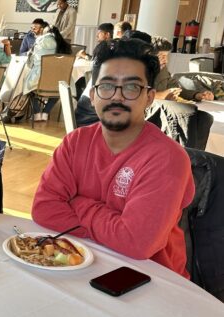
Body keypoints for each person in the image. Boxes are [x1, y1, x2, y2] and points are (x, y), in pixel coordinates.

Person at [32, 38, 195, 279]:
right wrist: (115, 225)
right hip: (79, 263)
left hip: (150, 281)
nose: (117, 97)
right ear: (93, 95)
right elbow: (44, 210)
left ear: (149, 97)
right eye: (107, 86)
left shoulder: (168, 159)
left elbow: (137, 243)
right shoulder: (75, 142)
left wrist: (78, 203)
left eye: (131, 88)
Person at [23, 26, 71, 122]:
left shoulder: (39, 42)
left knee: (28, 88)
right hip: (58, 80)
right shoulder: (64, 45)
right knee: (59, 90)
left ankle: (36, 113)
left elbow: (30, 63)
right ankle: (46, 112)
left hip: (39, 79)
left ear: (45, 33)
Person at [151, 36, 214, 102]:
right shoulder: (143, 71)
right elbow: (143, 95)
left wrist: (197, 95)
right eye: (162, 56)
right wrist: (163, 95)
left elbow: (177, 90)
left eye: (167, 56)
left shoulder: (163, 70)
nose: (166, 60)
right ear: (151, 56)